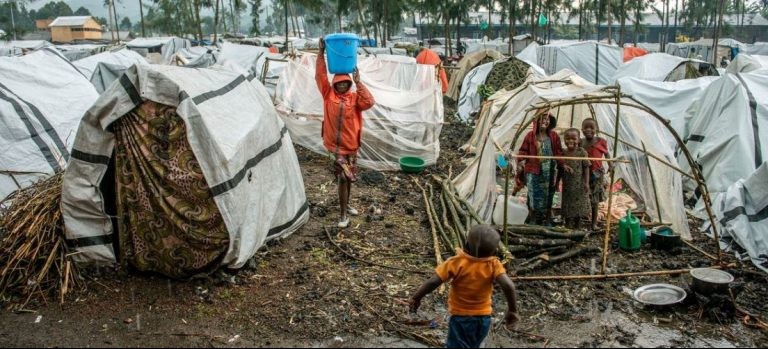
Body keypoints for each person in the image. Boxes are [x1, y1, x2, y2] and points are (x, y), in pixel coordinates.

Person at [410, 225, 519, 348]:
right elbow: (508, 286)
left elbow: (434, 281)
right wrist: (512, 310)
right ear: (494, 252)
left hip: (460, 319)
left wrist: (416, 297)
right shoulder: (493, 264)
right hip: (484, 319)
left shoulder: (456, 262)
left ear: (466, 244)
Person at [316, 37, 376, 228]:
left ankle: (347, 204)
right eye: (338, 83)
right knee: (343, 177)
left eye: (345, 83)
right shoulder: (328, 94)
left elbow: (369, 102)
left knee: (348, 178)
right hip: (335, 147)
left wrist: (359, 83)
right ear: (334, 84)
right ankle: (343, 215)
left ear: (349, 84)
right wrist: (320, 53)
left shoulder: (354, 97)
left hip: (351, 146)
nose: (341, 86)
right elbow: (320, 75)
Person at [516, 111, 564, 226]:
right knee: (533, 194)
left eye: (548, 119)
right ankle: (533, 218)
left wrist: (562, 164)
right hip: (533, 170)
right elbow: (523, 152)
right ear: (536, 121)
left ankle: (547, 218)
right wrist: (520, 162)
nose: (545, 121)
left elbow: (558, 152)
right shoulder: (530, 136)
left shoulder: (554, 136)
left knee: (549, 194)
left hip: (549, 171)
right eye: (542, 118)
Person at [580, 118, 610, 231]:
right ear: (582, 129)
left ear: (596, 129)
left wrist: (610, 165)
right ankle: (581, 218)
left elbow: (607, 154)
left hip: (597, 174)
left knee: (595, 200)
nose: (588, 130)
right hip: (583, 174)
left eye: (591, 127)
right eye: (586, 127)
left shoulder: (601, 141)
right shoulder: (580, 142)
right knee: (584, 196)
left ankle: (593, 223)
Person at [559, 128, 590, 229]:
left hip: (579, 183)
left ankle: (577, 223)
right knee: (567, 202)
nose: (570, 141)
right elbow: (559, 169)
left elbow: (586, 168)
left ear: (579, 140)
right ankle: (568, 222)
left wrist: (586, 183)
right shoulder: (563, 153)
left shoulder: (582, 152)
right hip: (567, 184)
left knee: (579, 203)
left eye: (573, 138)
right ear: (564, 139)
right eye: (567, 138)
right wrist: (556, 182)